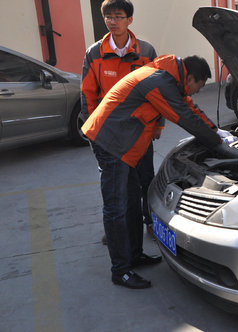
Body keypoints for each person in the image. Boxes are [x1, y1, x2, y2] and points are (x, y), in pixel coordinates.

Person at [82, 54, 235, 289]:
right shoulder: (159, 82)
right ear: (190, 77)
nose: (196, 92)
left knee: (132, 201)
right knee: (116, 208)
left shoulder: (169, 79)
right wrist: (218, 145)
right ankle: (120, 270)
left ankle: (134, 255)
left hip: (125, 146)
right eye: (199, 86)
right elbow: (183, 116)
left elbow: (189, 108)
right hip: (111, 143)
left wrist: (218, 132)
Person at [80, 0, 159, 245]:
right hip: (111, 135)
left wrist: (158, 125)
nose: (112, 22)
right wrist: (94, 130)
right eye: (108, 17)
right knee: (116, 184)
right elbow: (88, 94)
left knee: (146, 179)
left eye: (118, 16)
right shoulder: (94, 53)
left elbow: (158, 91)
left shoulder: (146, 51)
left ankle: (150, 223)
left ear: (129, 20)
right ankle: (117, 226)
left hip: (141, 130)